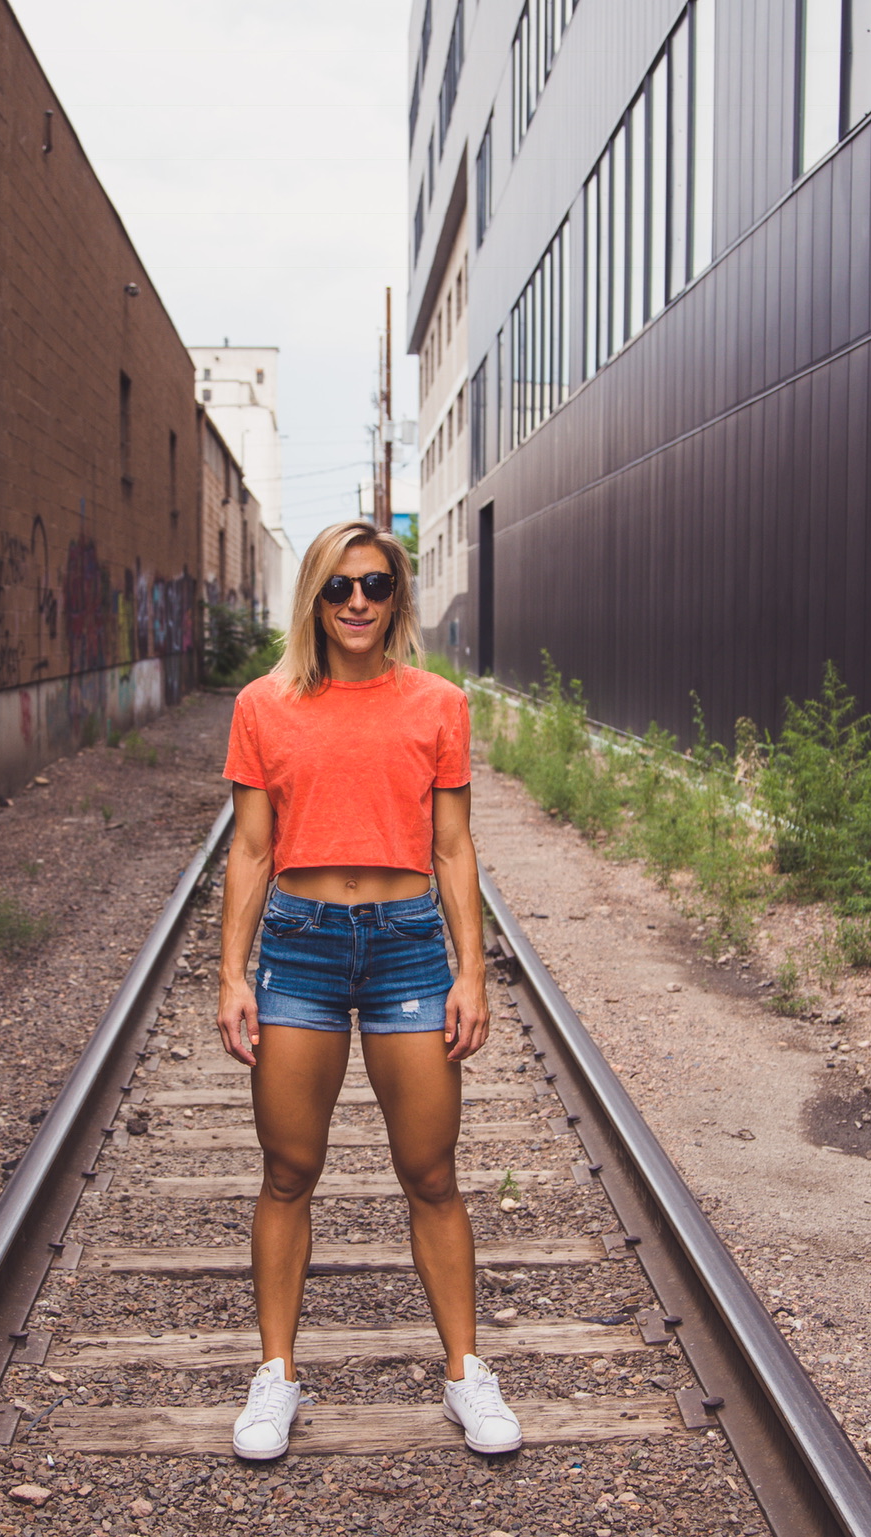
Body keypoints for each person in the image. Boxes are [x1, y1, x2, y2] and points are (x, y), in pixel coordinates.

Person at [216, 519, 521, 1460]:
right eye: (340, 586)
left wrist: (472, 970)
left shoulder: (438, 704)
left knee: (430, 1172)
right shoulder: (263, 705)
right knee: (288, 1170)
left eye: (376, 586)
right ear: (314, 595)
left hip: (405, 949)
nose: (357, 602)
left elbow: (454, 847)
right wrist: (231, 972)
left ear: (397, 598)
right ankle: (277, 1377)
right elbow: (253, 849)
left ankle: (466, 1375)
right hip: (301, 946)